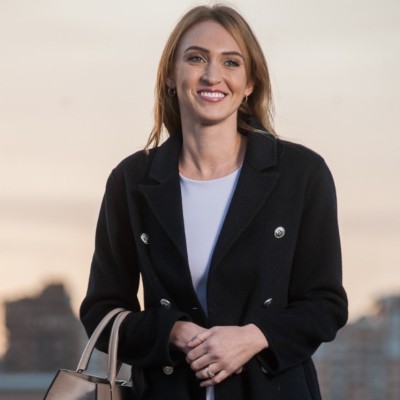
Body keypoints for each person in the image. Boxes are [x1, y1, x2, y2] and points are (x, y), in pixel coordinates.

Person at [80, 4, 348, 400]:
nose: (212, 76)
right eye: (195, 58)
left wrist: (253, 337)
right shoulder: (131, 180)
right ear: (170, 75)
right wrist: (173, 331)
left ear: (250, 83)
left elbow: (325, 304)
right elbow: (100, 310)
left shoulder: (301, 174)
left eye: (231, 62)